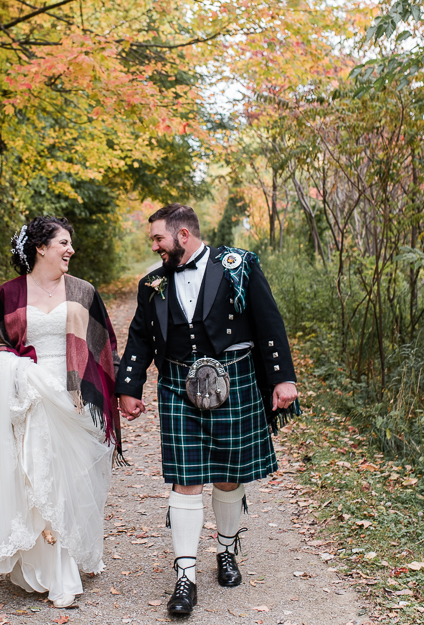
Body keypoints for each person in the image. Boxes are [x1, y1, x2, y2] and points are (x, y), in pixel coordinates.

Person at [117, 203, 299, 617]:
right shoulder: (153, 284)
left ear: (183, 235)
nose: (155, 246)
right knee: (186, 480)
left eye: (159, 238)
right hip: (179, 387)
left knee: (230, 477)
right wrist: (128, 386)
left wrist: (282, 378)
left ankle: (226, 550)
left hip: (234, 381)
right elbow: (140, 339)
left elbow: (270, 322)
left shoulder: (239, 265)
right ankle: (185, 577)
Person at [0, 216, 122, 609]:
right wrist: (12, 369)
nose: (70, 250)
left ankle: (65, 554)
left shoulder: (83, 291)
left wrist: (117, 393)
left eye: (70, 244)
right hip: (28, 398)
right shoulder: (9, 293)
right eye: (63, 243)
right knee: (37, 476)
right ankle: (54, 571)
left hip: (73, 396)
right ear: (40, 248)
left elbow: (105, 347)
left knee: (70, 481)